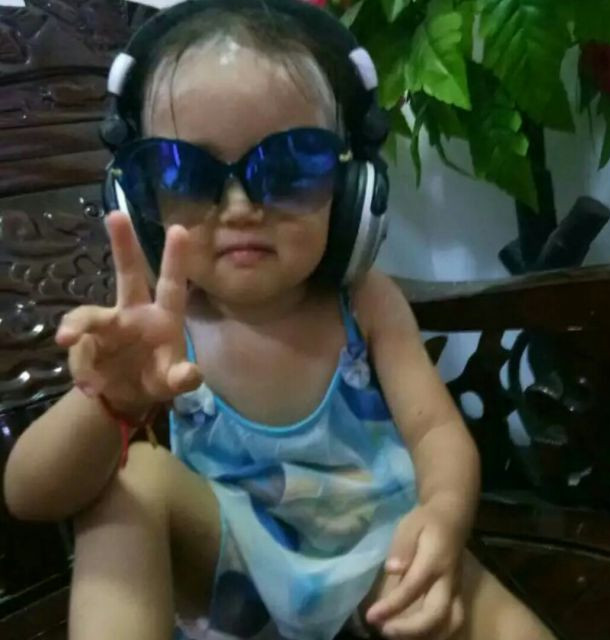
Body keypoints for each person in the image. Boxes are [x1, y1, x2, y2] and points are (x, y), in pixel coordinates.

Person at [3, 1, 556, 639]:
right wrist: (107, 404)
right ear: (144, 196)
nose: (240, 206)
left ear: (352, 192)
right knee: (132, 479)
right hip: (237, 579)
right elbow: (29, 497)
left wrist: (443, 516)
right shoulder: (162, 330)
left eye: (290, 166)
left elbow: (435, 433)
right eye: (186, 171)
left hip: (386, 558)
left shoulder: (366, 302)